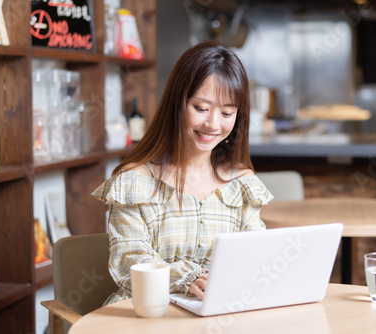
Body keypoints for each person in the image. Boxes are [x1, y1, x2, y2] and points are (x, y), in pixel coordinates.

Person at [92, 41, 273, 305]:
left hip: (216, 313)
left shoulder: (241, 182)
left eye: (226, 112)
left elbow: (254, 254)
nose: (212, 124)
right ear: (177, 103)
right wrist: (188, 279)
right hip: (146, 314)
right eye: (200, 108)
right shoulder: (135, 181)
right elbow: (130, 260)